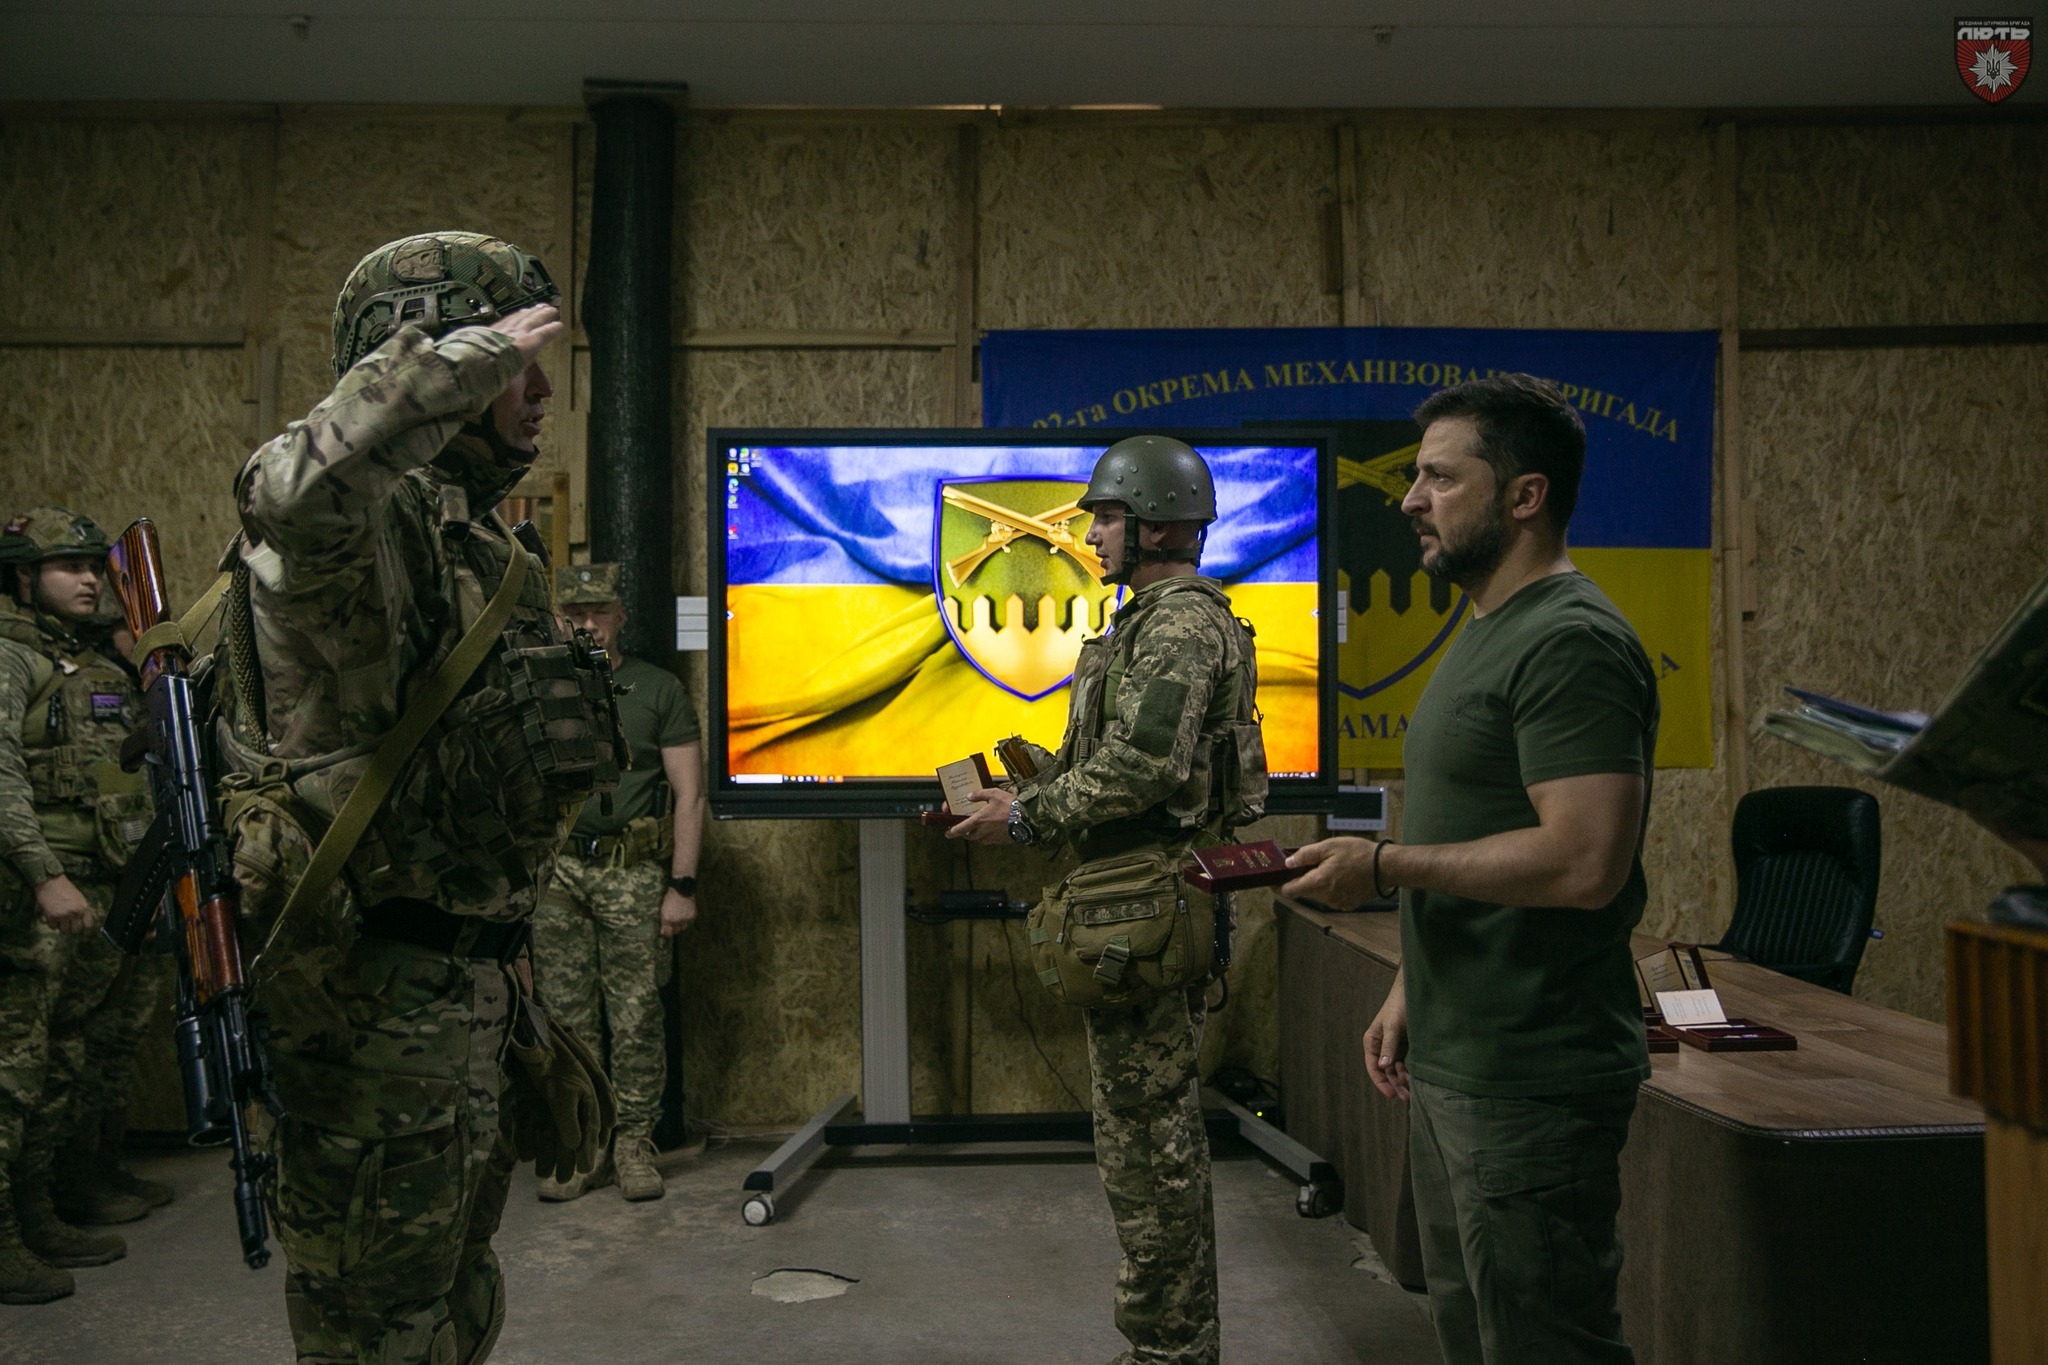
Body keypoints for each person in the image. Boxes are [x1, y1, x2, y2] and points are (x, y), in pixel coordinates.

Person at [230, 231, 617, 1363]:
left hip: (465, 1000)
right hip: (370, 1018)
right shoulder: (366, 529)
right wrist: (455, 366)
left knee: (453, 1302)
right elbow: (289, 492)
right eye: (516, 362)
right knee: (375, 1331)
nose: (539, 390)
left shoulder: (487, 550)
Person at [1284, 373, 1658, 1365]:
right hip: (1458, 1052)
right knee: (1469, 1321)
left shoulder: (1570, 641)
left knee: (1543, 1340)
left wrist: (1383, 867)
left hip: (1531, 1071)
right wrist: (1412, 981)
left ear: (1522, 497)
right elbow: (1481, 827)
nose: (1409, 500)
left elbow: (1583, 862)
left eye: (1438, 479)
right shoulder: (1487, 629)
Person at [950, 435, 1265, 1365]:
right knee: (1146, 1137)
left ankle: (1168, 1349)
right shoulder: (1147, 621)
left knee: (1148, 1147)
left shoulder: (1175, 625)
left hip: (1148, 904)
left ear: (1158, 522)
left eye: (1106, 515)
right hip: (1129, 897)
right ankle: (1175, 1343)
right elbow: (1129, 766)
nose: (1090, 532)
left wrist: (1031, 819)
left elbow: (1147, 767)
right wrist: (1032, 787)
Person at [0, 505, 154, 1303]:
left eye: (96, 564)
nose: (90, 577)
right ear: (25, 577)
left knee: (73, 1056)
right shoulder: (12, 657)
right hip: (41, 895)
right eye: (68, 565)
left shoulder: (97, 661)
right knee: (15, 1071)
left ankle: (55, 1196)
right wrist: (40, 872)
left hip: (106, 883)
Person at [532, 562, 705, 1203]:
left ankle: (633, 1142)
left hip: (631, 873)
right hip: (559, 875)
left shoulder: (657, 690)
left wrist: (681, 885)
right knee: (568, 1023)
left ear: (620, 616)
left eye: (598, 612)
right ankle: (586, 1146)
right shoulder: (542, 693)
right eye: (574, 614)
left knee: (634, 1016)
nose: (586, 624)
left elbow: (689, 795)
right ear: (558, 620)